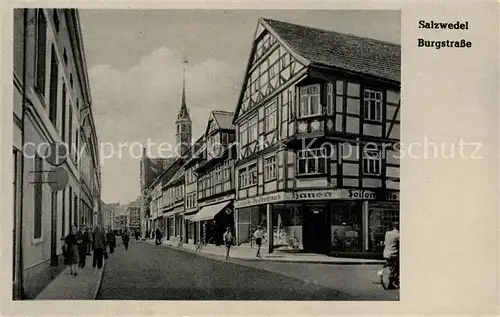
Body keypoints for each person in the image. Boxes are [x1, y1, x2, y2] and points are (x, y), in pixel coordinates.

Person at [383, 221, 400, 289]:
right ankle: (391, 284)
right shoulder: (398, 235)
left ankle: (394, 280)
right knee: (397, 268)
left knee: (391, 268)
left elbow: (386, 243)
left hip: (386, 254)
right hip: (393, 254)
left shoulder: (387, 233)